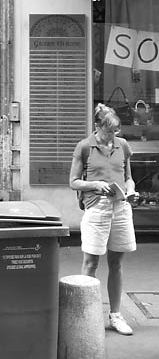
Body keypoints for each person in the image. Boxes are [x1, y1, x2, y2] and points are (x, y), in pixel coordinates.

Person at [69, 103, 138, 335]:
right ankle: (83, 316)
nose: (113, 135)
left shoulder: (122, 145)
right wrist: (96, 184)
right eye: (109, 131)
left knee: (116, 263)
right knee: (91, 262)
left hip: (121, 206)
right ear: (97, 126)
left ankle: (115, 315)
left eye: (116, 130)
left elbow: (128, 177)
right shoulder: (85, 147)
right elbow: (73, 182)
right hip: (97, 207)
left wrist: (131, 190)